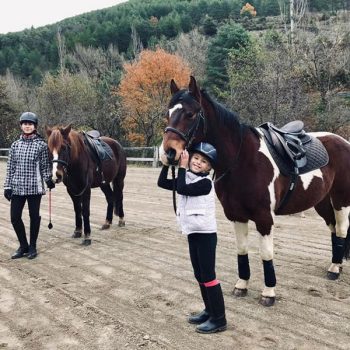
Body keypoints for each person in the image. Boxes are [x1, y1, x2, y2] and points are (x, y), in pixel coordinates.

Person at [157, 142, 227, 334]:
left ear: (209, 167)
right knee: (200, 275)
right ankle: (209, 310)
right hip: (193, 233)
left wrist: (181, 167)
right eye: (196, 158)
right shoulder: (187, 177)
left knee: (209, 276)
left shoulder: (205, 183)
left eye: (203, 161)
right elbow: (162, 183)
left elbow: (181, 189)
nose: (198, 162)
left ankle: (219, 319)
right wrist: (166, 164)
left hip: (206, 235)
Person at [3, 112, 55, 260]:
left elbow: (45, 167)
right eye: (24, 124)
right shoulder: (15, 145)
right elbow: (10, 168)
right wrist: (7, 186)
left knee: (34, 217)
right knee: (14, 218)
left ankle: (32, 246)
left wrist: (48, 180)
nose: (27, 126)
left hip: (34, 187)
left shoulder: (41, 145)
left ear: (35, 127)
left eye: (30, 124)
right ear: (21, 126)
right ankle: (23, 245)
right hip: (17, 187)